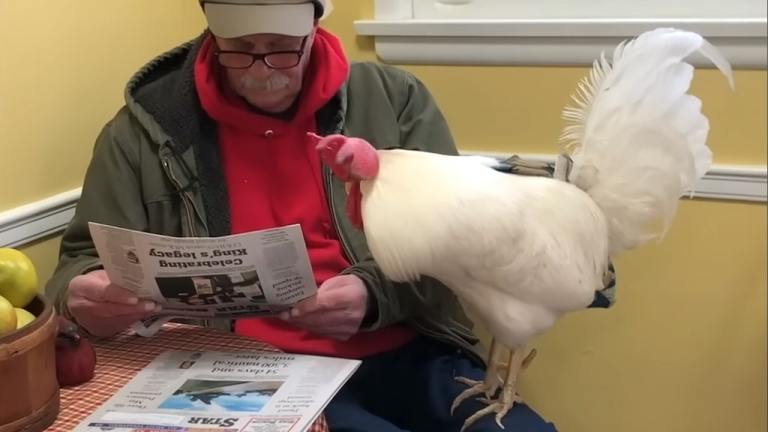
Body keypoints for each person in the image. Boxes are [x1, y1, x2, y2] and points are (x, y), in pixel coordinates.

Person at [45, 1, 563, 430]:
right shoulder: (143, 131)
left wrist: (371, 295)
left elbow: (460, 244)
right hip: (251, 368)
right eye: (241, 52)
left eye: (281, 50)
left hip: (409, 348)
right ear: (210, 35)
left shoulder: (396, 99)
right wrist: (83, 295)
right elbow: (77, 264)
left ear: (316, 28)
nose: (261, 71)